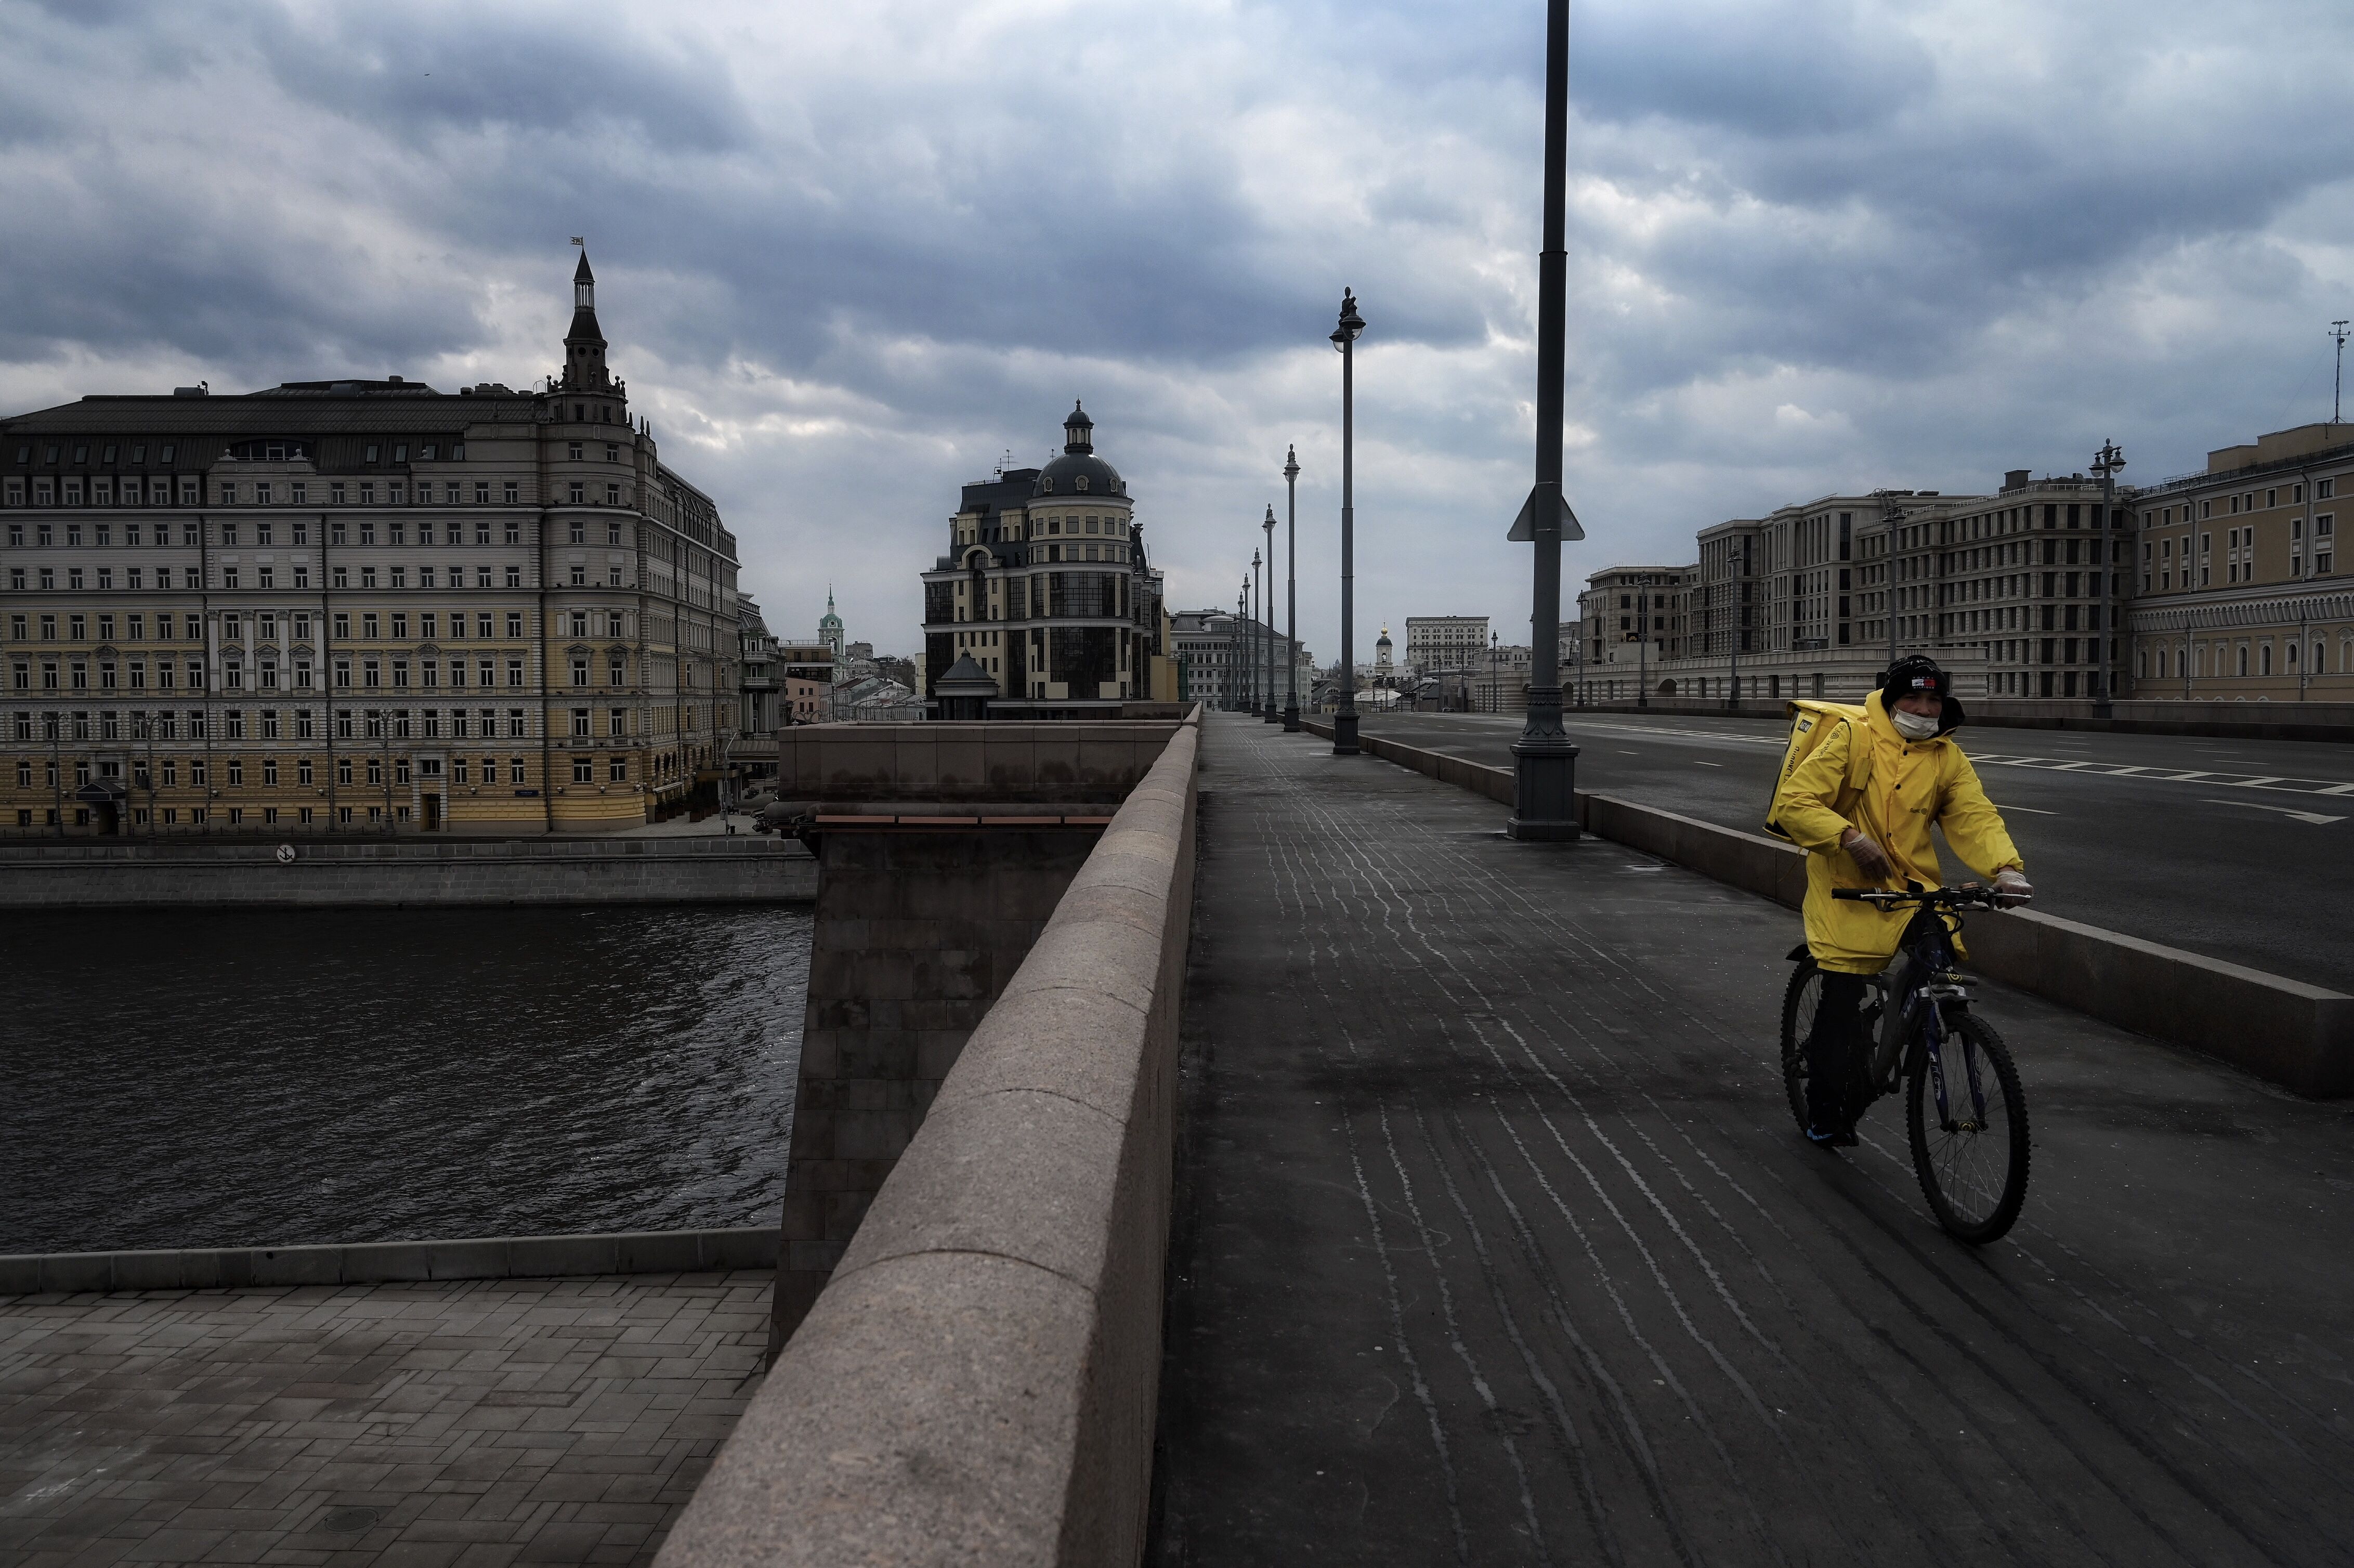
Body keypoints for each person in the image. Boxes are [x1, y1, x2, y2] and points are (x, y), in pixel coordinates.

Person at [1775, 655, 2032, 1147]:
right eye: (1912, 697)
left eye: (1934, 699)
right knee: (1842, 998)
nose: (1923, 708)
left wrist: (2006, 869)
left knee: (1938, 960)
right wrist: (1848, 837)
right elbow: (1796, 802)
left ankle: (1913, 1031)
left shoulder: (1946, 756)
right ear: (1891, 701)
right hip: (1847, 885)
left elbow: (1973, 815)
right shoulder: (1854, 736)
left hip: (1911, 889)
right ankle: (1827, 1111)